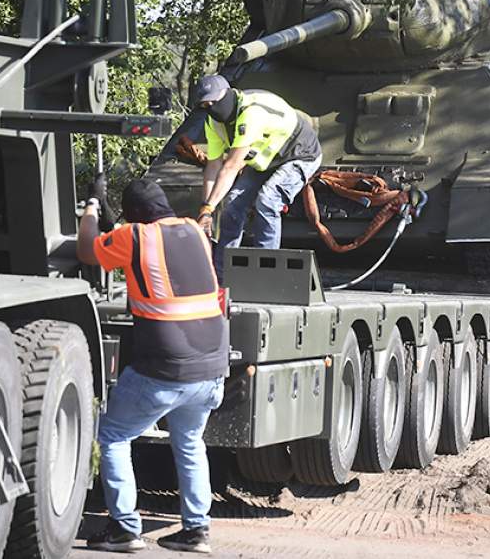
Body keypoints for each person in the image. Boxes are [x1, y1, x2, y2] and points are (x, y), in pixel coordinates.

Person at [77, 177, 228, 554]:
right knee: (190, 442)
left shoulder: (136, 237)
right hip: (211, 367)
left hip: (165, 368)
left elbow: (86, 250)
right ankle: (195, 530)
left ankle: (124, 529)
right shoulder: (194, 231)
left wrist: (92, 207)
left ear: (136, 217)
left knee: (113, 436)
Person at [194, 74, 322, 280]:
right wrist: (205, 209)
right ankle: (221, 276)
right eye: (204, 105)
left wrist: (209, 208)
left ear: (227, 95)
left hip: (298, 153)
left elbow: (231, 166)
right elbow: (214, 166)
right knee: (232, 203)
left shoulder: (251, 114)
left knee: (267, 201)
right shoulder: (214, 123)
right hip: (265, 159)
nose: (210, 108)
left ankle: (267, 273)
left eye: (213, 102)